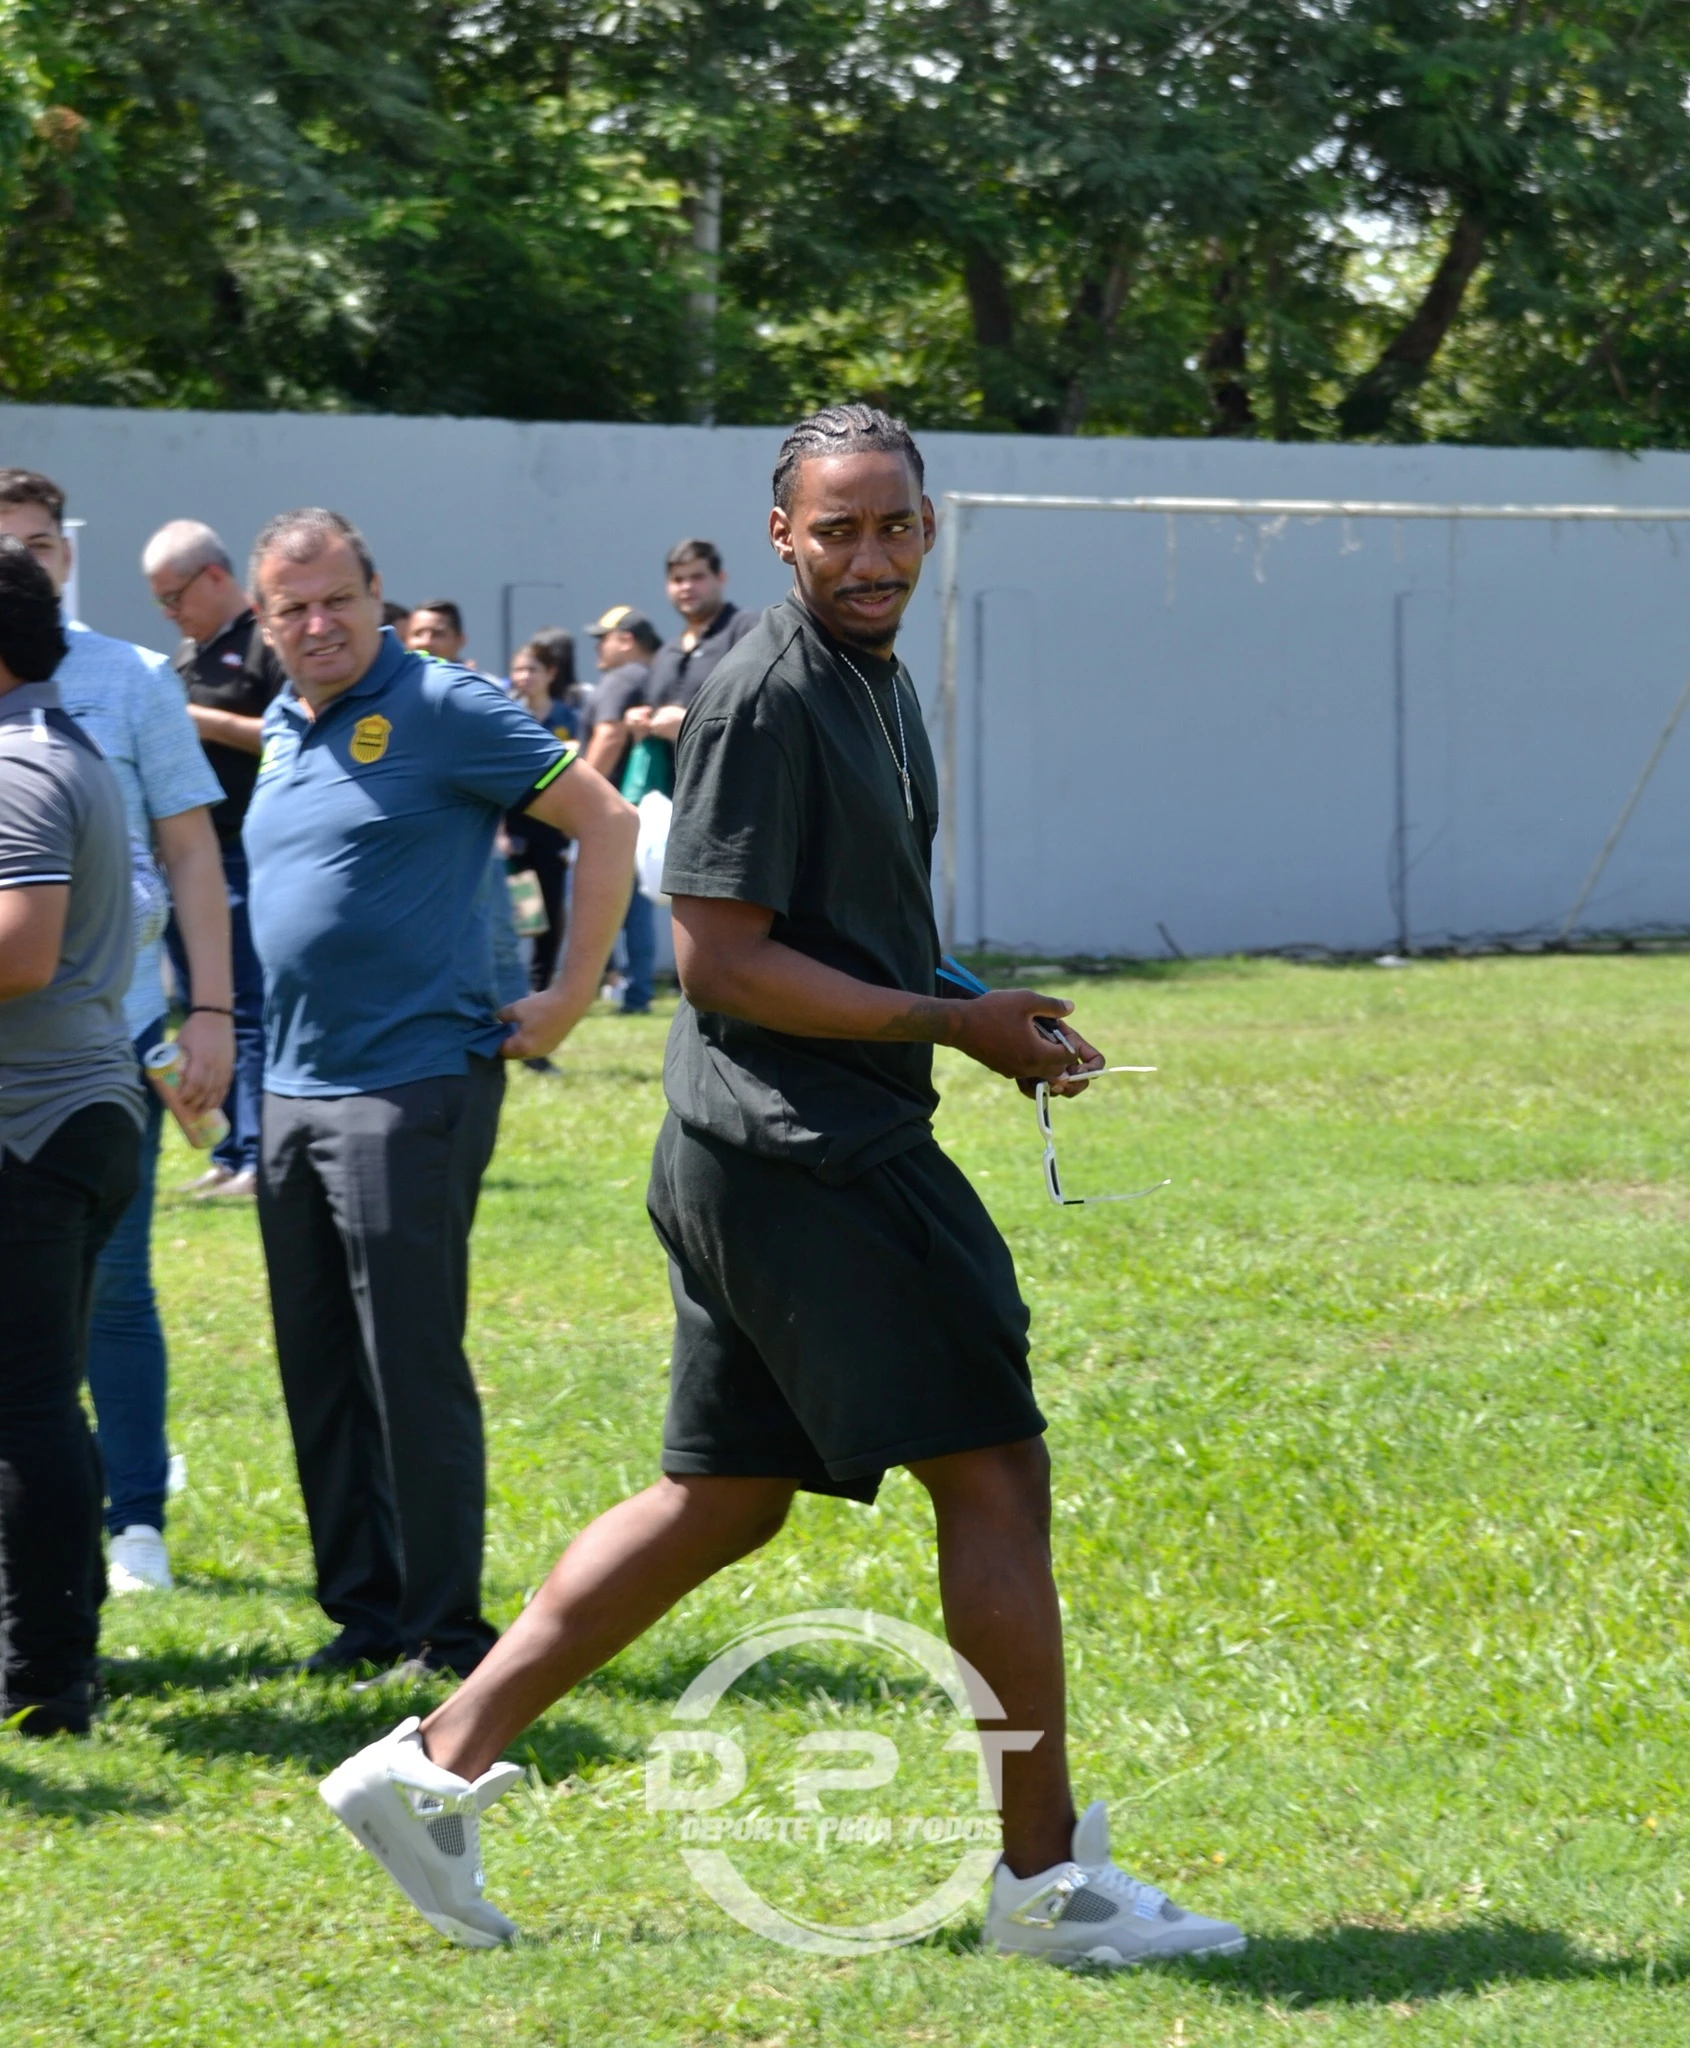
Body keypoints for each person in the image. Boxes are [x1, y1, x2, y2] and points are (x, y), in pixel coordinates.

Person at [317, 407, 1248, 1969]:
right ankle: (1043, 1884)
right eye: (838, 532)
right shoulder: (760, 687)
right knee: (995, 1475)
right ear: (782, 536)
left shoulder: (868, 681)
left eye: (893, 528)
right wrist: (950, 1026)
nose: (870, 558)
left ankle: (428, 1769)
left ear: (928, 528)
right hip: (807, 1150)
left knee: (724, 1495)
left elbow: (841, 928)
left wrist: (970, 1007)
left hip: (757, 1145)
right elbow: (720, 959)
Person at [244, 510, 637, 1683]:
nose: (316, 624)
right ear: (265, 621)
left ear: (376, 593)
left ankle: (443, 1630)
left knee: (407, 1360)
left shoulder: (444, 703)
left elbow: (606, 822)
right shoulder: (279, 723)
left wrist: (568, 993)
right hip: (293, 1086)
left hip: (410, 1079)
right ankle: (363, 1616)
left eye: (335, 599)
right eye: (291, 608)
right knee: (319, 1364)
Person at [0, 469, 233, 1601]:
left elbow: (192, 851)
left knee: (116, 1293)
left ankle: (133, 1515)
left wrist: (212, 1009)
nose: (28, 564)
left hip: (113, 1037)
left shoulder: (129, 676)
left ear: (67, 551)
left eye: (40, 544)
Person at [0, 537, 145, 1738]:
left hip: (32, 1125)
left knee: (29, 1407)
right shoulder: (66, 747)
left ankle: (49, 1682)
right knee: (39, 1400)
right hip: (81, 1108)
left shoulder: (19, 767)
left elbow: (21, 948)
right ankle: (51, 1656)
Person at [142, 519, 286, 1201]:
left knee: (242, 1006)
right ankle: (227, 1149)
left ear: (216, 577)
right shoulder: (183, 659)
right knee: (194, 1005)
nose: (172, 613)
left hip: (242, 851)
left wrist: (197, 720)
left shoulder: (267, 643)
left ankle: (258, 1154)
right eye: (162, 604)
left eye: (176, 597)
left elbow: (293, 733)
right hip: (182, 859)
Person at [401, 600, 529, 1010]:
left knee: (499, 941)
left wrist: (504, 830)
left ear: (460, 641)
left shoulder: (482, 695)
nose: (427, 641)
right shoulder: (390, 695)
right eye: (419, 633)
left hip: (480, 842)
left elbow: (508, 770)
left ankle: (521, 1039)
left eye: (437, 633)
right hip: (415, 844)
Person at [581, 605, 662, 1013]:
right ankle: (639, 992)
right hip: (652, 806)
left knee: (598, 904)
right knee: (638, 909)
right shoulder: (661, 675)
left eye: (603, 639)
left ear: (626, 640)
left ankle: (593, 988)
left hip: (612, 810)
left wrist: (579, 796)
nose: (598, 648)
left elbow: (609, 735)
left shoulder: (622, 677)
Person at [506, 633, 578, 996]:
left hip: (552, 831)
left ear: (550, 673)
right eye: (517, 669)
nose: (523, 677)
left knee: (549, 914)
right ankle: (508, 991)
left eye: (531, 669)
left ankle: (539, 990)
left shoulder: (567, 717)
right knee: (519, 916)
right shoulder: (504, 714)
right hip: (513, 831)